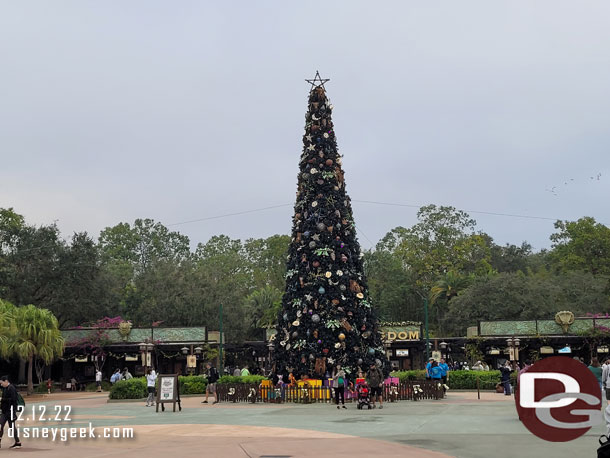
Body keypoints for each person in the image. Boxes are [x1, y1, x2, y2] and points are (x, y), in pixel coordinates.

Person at [0, 376, 21, 449]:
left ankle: (18, 442)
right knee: (1, 425)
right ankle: (17, 442)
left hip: (10, 411)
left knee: (11, 427)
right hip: (5, 411)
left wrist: (3, 400)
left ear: (6, 381)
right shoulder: (5, 388)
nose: (1, 384)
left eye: (2, 383)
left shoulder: (11, 388)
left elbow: (14, 400)